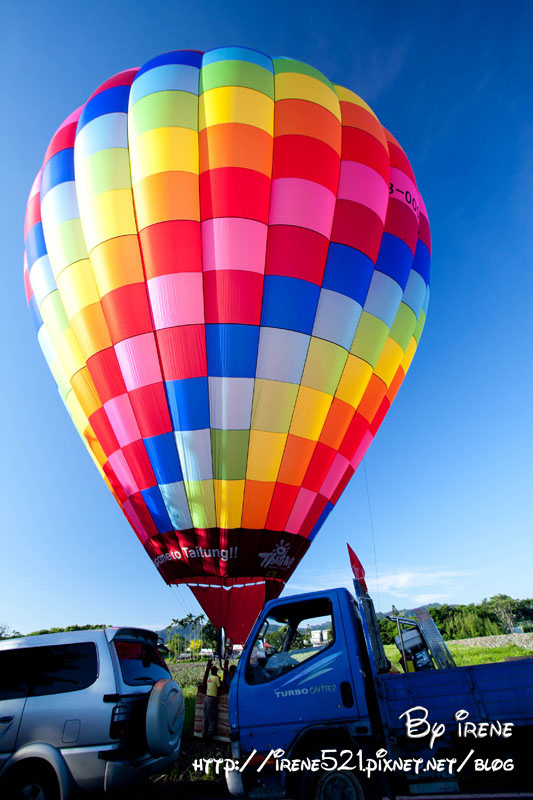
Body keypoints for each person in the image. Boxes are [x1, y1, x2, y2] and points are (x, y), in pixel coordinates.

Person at [203, 665, 221, 738]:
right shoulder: (216, 678)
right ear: (215, 671)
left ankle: (204, 733)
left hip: (206, 698)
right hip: (212, 698)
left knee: (206, 716)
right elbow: (219, 688)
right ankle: (210, 735)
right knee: (212, 717)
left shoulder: (209, 678)